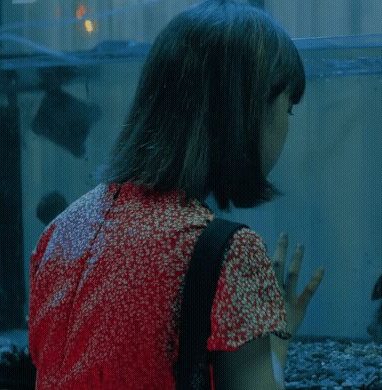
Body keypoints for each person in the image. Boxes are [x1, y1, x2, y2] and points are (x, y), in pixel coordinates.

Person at [27, 1, 325, 389]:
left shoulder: (58, 234)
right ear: (245, 112)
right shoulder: (230, 252)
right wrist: (275, 338)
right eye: (288, 109)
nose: (287, 126)